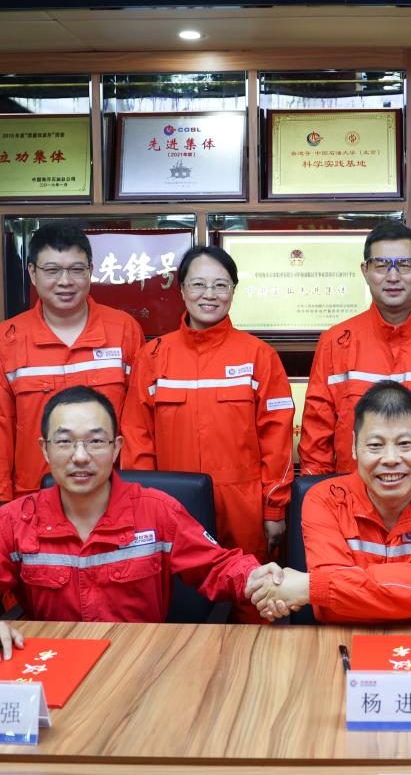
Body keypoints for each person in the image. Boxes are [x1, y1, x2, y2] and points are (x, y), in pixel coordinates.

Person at [0, 386, 284, 665]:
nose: (80, 457)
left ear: (116, 447)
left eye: (95, 441)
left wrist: (257, 578)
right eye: (65, 442)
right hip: (51, 665)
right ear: (45, 449)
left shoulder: (157, 512)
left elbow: (217, 567)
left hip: (139, 664)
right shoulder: (14, 522)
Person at [120, 245, 295, 613]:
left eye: (220, 285)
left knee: (252, 600)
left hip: (244, 508)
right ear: (182, 290)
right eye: (198, 284)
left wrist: (273, 510)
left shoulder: (259, 356)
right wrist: (141, 508)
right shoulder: (153, 357)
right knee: (178, 603)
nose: (209, 294)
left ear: (233, 290)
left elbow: (277, 439)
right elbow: (138, 439)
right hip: (172, 505)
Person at [249, 381, 411, 623]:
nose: (391, 459)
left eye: (405, 444)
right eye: (375, 445)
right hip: (342, 638)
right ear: (354, 447)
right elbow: (332, 607)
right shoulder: (323, 500)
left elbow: (332, 594)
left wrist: (310, 588)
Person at [299, 221, 411, 489]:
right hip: (352, 498)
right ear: (365, 271)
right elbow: (317, 433)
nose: (393, 276)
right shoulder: (335, 342)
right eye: (381, 265)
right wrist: (321, 497)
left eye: (404, 265)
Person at [0, 222, 144, 510]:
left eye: (76, 270)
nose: (65, 281)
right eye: (52, 270)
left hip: (111, 495)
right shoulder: (5, 341)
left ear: (90, 271)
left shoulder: (123, 331)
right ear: (32, 273)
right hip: (32, 498)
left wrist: (138, 489)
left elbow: (138, 423)